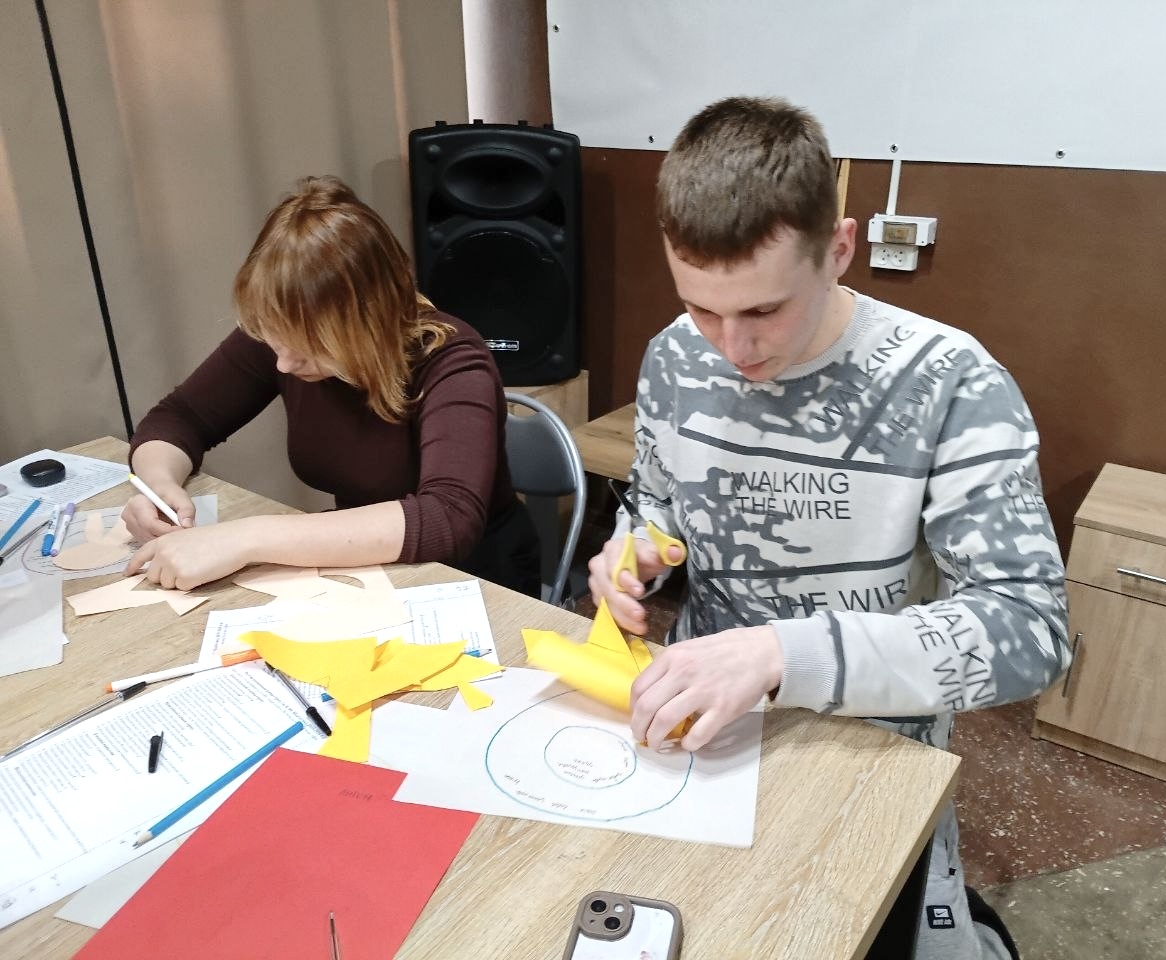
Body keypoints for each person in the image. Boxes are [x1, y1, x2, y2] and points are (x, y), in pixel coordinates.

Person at [586, 97, 1069, 960]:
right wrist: (637, 550)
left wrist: (782, 655)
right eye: (702, 308)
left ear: (839, 249)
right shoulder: (674, 355)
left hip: (867, 752)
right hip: (699, 730)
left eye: (764, 311)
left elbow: (1029, 631)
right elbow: (656, 501)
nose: (732, 348)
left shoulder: (951, 381)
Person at [123, 175, 540, 597]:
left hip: (474, 578)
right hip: (365, 567)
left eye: (311, 348)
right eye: (276, 341)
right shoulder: (285, 330)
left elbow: (446, 517)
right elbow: (179, 418)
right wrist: (160, 486)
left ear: (369, 320)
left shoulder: (453, 360)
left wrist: (245, 538)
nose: (284, 363)